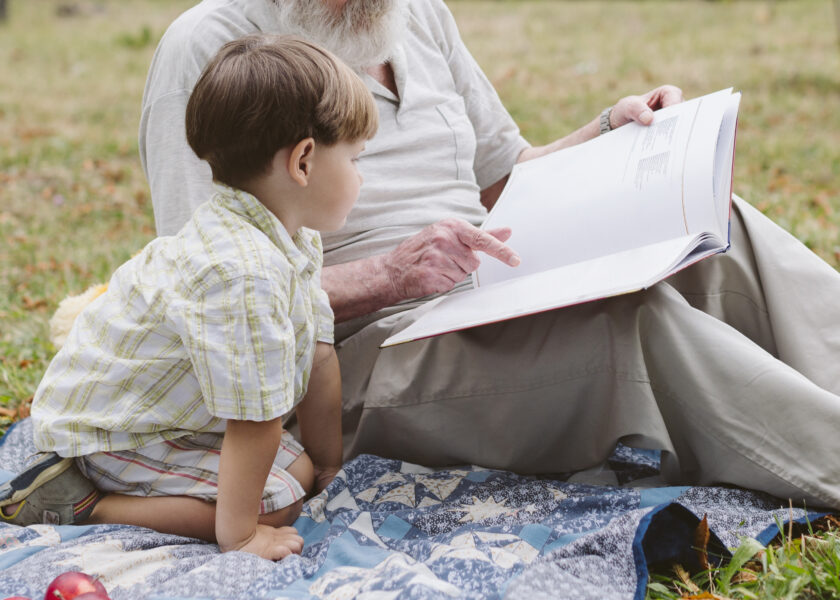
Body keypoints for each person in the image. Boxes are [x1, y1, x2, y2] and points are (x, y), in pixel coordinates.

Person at [140, 0, 840, 509]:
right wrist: (388, 276)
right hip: (357, 354)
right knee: (628, 323)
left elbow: (508, 174)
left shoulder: (416, 14)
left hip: (486, 286)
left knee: (721, 230)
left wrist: (611, 131)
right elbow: (205, 291)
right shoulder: (212, 43)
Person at [0, 34, 378, 560]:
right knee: (276, 502)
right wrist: (241, 534)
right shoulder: (243, 272)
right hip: (116, 431)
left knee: (301, 472)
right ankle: (76, 501)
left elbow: (318, 355)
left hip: (165, 417)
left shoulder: (293, 239)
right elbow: (254, 420)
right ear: (304, 162)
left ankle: (134, 494)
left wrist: (330, 470)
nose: (362, 176)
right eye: (357, 160)